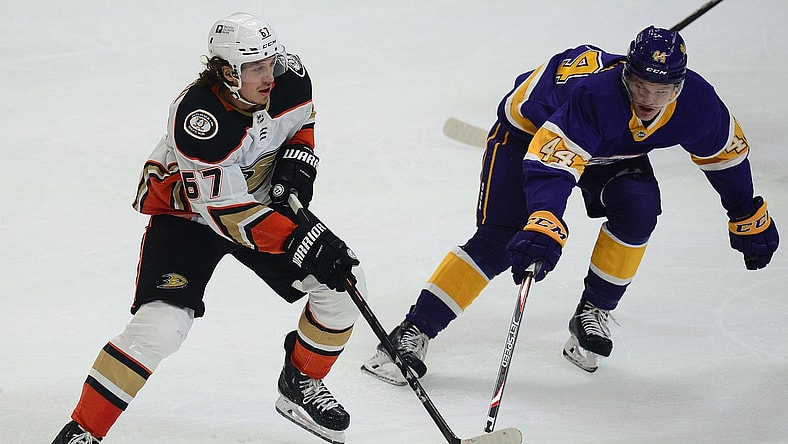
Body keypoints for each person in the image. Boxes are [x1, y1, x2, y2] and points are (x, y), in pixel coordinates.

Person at [362, 25, 779, 382]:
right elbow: (553, 162)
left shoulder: (698, 104)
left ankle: (591, 312)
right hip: (530, 132)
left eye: (662, 90)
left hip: (611, 149)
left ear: (680, 87)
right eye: (639, 87)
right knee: (502, 237)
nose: (649, 100)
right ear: (626, 78)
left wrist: (745, 210)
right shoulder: (596, 96)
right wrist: (544, 219)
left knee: (638, 209)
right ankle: (411, 331)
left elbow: (725, 155)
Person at [53, 12, 363, 444]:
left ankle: (300, 381)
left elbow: (301, 126)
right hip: (191, 216)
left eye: (269, 62)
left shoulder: (289, 79)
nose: (268, 76)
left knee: (344, 285)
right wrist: (298, 240)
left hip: (253, 202)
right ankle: (83, 431)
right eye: (254, 68)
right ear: (226, 72)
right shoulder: (199, 117)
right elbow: (228, 214)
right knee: (161, 329)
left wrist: (298, 161)